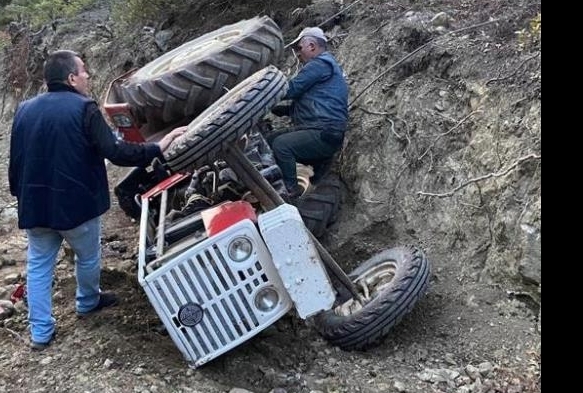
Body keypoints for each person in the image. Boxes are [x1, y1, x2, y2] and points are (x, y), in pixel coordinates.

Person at [8, 50, 186, 351]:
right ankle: (88, 301)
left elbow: (16, 160)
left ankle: (40, 333)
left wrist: (19, 193)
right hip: (77, 206)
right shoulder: (84, 108)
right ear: (71, 78)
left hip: (35, 205)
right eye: (84, 71)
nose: (88, 76)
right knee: (87, 257)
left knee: (38, 267)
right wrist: (156, 147)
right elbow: (116, 152)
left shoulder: (24, 109)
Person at [271, 27, 349, 198]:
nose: (297, 54)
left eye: (299, 48)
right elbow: (313, 103)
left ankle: (290, 192)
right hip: (324, 130)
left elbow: (291, 89)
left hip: (322, 131)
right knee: (270, 140)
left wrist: (264, 95)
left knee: (281, 145)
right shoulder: (327, 68)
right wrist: (284, 110)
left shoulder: (319, 64)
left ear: (312, 45)